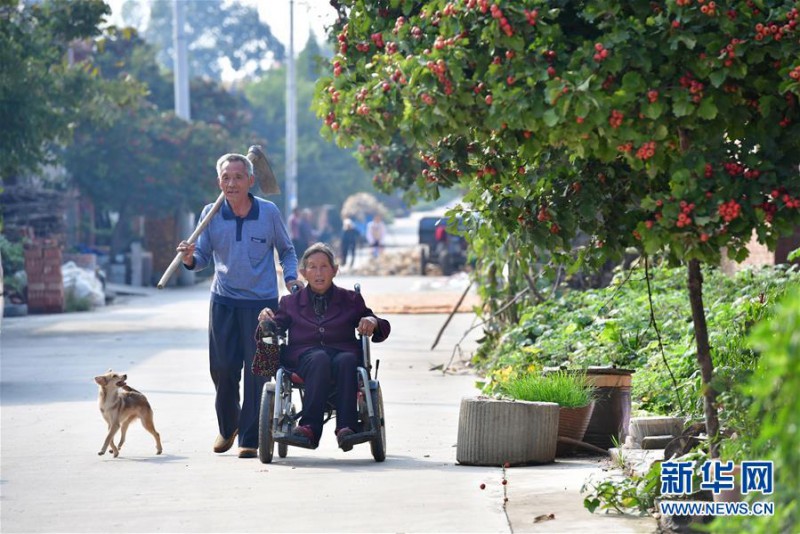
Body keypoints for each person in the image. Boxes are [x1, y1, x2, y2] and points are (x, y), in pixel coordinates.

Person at [176, 152, 301, 459]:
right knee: (223, 368)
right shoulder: (210, 213)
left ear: (251, 181)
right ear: (219, 182)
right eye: (226, 178)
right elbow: (203, 258)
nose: (231, 183)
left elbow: (287, 250)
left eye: (238, 177)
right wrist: (190, 257)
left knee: (258, 371)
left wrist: (292, 278)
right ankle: (228, 425)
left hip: (261, 305)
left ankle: (249, 437)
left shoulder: (269, 212)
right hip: (224, 302)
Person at [258, 242, 391, 451]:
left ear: (335, 270)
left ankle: (346, 427)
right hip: (304, 358)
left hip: (343, 355)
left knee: (347, 359)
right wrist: (267, 319)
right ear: (303, 272)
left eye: (324, 267)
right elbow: (276, 326)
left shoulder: (351, 299)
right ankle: (309, 428)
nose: (318, 273)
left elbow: (378, 323)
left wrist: (372, 322)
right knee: (319, 358)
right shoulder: (290, 302)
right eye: (312, 267)